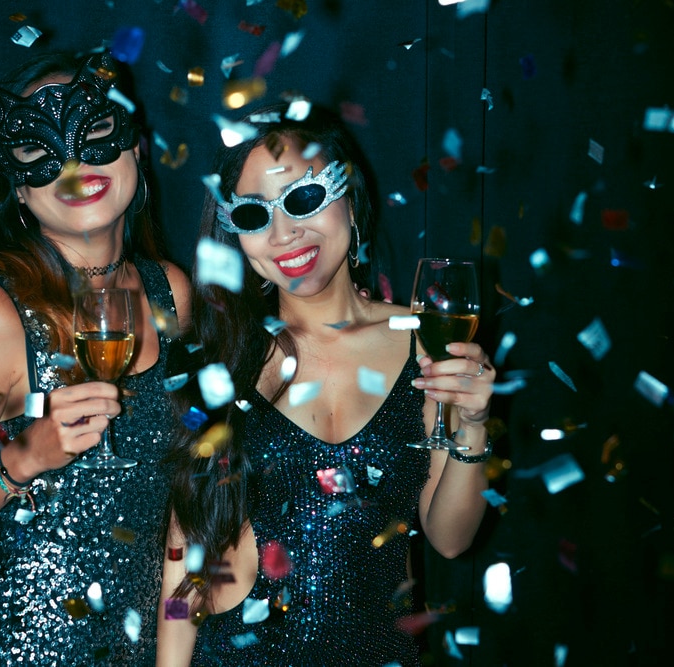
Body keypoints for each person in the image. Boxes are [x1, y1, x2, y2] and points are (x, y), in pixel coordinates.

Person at [156, 103, 493, 666]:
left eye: (304, 198)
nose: (284, 233)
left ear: (350, 201)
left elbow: (451, 538)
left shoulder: (426, 341)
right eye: (254, 216)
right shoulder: (223, 360)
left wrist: (475, 427)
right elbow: (182, 563)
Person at [0, 50, 191, 666]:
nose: (76, 165)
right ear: (22, 191)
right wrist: (23, 458)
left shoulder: (170, 293)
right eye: (39, 150)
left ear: (136, 149)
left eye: (95, 132)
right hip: (21, 650)